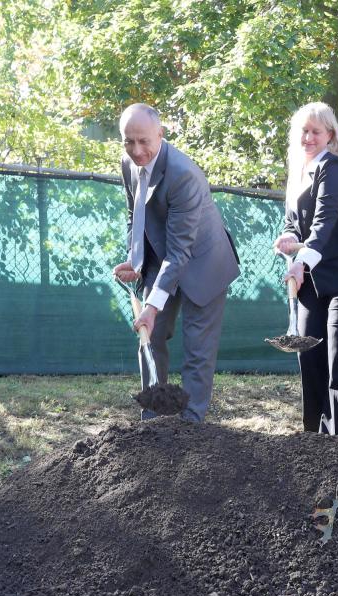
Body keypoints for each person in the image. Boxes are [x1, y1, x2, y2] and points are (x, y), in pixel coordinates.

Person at [112, 103, 240, 422]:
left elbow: (181, 251)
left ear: (161, 134)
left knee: (197, 351)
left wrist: (152, 307)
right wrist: (135, 258)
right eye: (129, 141)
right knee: (150, 337)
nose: (137, 150)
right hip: (161, 260)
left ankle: (190, 432)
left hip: (204, 264)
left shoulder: (183, 174)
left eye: (143, 141)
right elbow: (135, 216)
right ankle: (153, 420)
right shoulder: (128, 165)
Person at [272, 102, 338, 437]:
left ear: (330, 136)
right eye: (303, 130)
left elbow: (324, 222)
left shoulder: (330, 166)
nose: (308, 137)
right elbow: (295, 223)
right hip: (312, 283)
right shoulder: (297, 171)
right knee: (311, 359)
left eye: (316, 131)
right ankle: (314, 444)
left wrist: (302, 262)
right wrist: (288, 238)